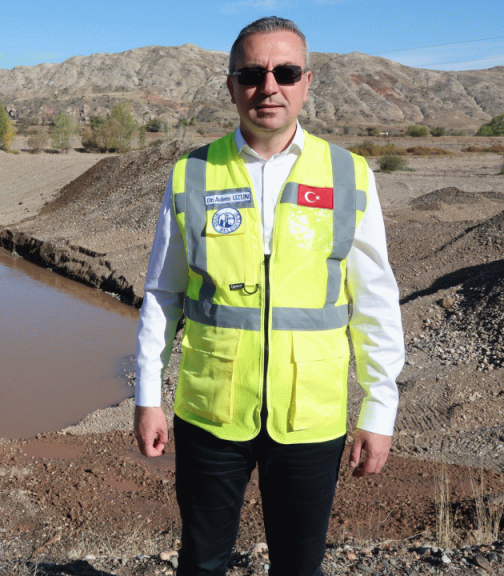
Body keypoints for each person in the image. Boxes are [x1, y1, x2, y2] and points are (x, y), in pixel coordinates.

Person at [133, 16, 405, 576]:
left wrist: (379, 406)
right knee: (202, 561)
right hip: (211, 412)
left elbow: (374, 298)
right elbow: (163, 292)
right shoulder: (191, 174)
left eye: (285, 71)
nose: (269, 86)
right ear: (230, 85)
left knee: (298, 565)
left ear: (308, 80)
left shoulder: (348, 174)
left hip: (311, 415)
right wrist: (147, 395)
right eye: (252, 73)